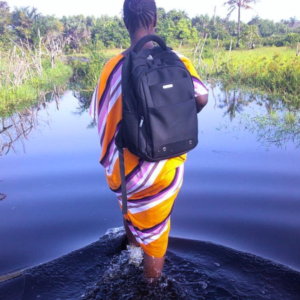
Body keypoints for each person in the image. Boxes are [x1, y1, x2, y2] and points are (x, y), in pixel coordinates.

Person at [89, 0, 208, 282]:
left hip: (123, 174)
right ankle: (150, 288)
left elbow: (100, 115)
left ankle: (132, 257)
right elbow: (201, 97)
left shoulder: (111, 68)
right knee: (156, 235)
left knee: (130, 213)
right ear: (154, 17)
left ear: (125, 22)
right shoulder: (176, 60)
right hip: (160, 173)